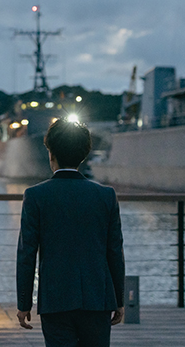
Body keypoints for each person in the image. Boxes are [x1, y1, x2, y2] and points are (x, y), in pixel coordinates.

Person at [16, 118, 125, 347]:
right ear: (83, 154)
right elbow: (114, 252)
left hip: (55, 299)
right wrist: (119, 299)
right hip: (98, 299)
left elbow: (27, 254)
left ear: (51, 154)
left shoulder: (35, 196)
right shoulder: (106, 196)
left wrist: (24, 303)